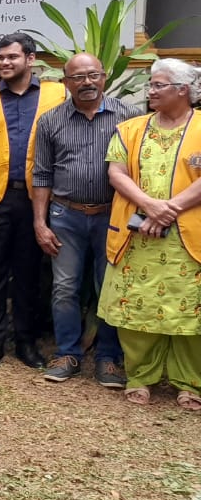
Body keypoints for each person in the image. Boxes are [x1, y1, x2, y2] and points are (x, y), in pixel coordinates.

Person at [98, 59, 201, 409]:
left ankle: (191, 383)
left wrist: (168, 209)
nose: (150, 90)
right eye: (151, 85)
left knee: (190, 311)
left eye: (158, 85)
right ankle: (140, 376)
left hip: (188, 239)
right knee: (137, 310)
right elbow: (116, 173)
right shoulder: (130, 128)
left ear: (182, 90)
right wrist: (150, 206)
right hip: (138, 233)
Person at [32, 53, 136, 387]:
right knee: (64, 287)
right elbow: (42, 174)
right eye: (78, 77)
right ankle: (67, 353)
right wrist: (40, 222)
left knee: (109, 287)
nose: (86, 83)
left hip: (113, 215)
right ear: (66, 83)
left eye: (93, 75)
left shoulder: (129, 117)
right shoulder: (50, 121)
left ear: (104, 77)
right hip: (65, 216)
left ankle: (109, 359)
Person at [0, 33, 66, 369]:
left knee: (29, 274)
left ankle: (26, 342)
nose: (4, 63)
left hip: (38, 200)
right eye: (1, 58)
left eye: (12, 57)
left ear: (30, 59)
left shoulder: (57, 94)